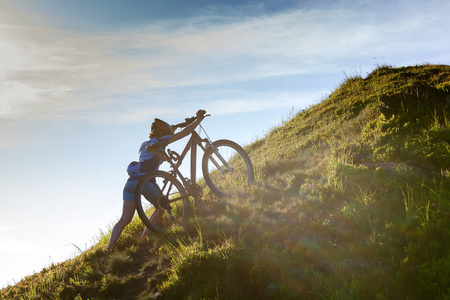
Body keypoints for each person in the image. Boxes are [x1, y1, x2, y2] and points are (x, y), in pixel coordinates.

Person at [107, 109, 206, 250]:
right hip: (145, 182)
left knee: (125, 218)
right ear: (163, 133)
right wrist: (199, 120)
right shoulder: (161, 142)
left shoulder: (145, 144)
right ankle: (145, 236)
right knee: (161, 206)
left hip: (130, 183)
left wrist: (176, 126)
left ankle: (109, 247)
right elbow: (184, 134)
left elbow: (169, 133)